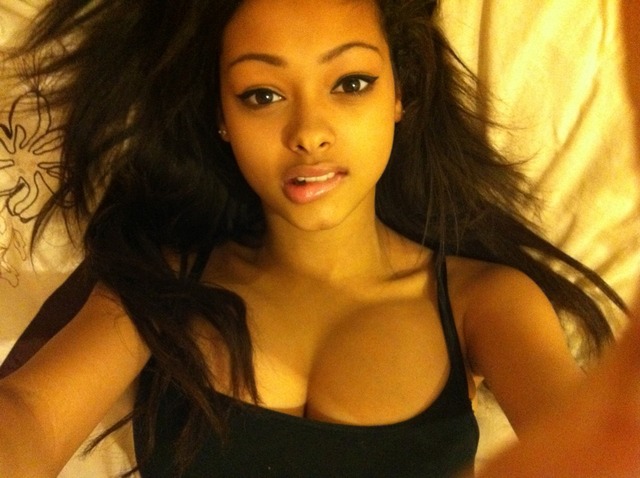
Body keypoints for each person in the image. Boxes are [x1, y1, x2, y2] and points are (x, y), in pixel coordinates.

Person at [0, 0, 636, 477]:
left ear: (401, 93)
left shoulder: (485, 301)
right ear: (221, 117)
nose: (309, 132)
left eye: (350, 84)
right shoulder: (162, 283)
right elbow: (29, 416)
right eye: (263, 95)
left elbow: (594, 441)